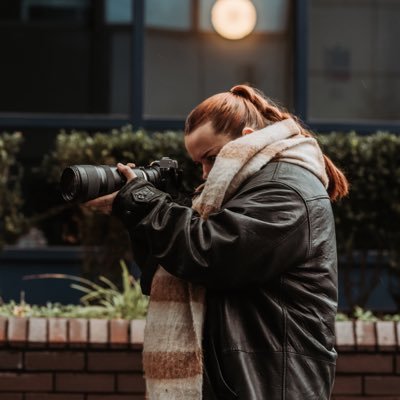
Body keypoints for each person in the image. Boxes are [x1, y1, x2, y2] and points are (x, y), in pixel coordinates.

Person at [86, 84, 349, 400]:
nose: (206, 173)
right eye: (199, 164)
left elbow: (210, 254)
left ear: (247, 138)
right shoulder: (241, 191)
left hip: (268, 387)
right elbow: (173, 266)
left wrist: (144, 203)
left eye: (211, 158)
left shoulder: (286, 190)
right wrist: (138, 212)